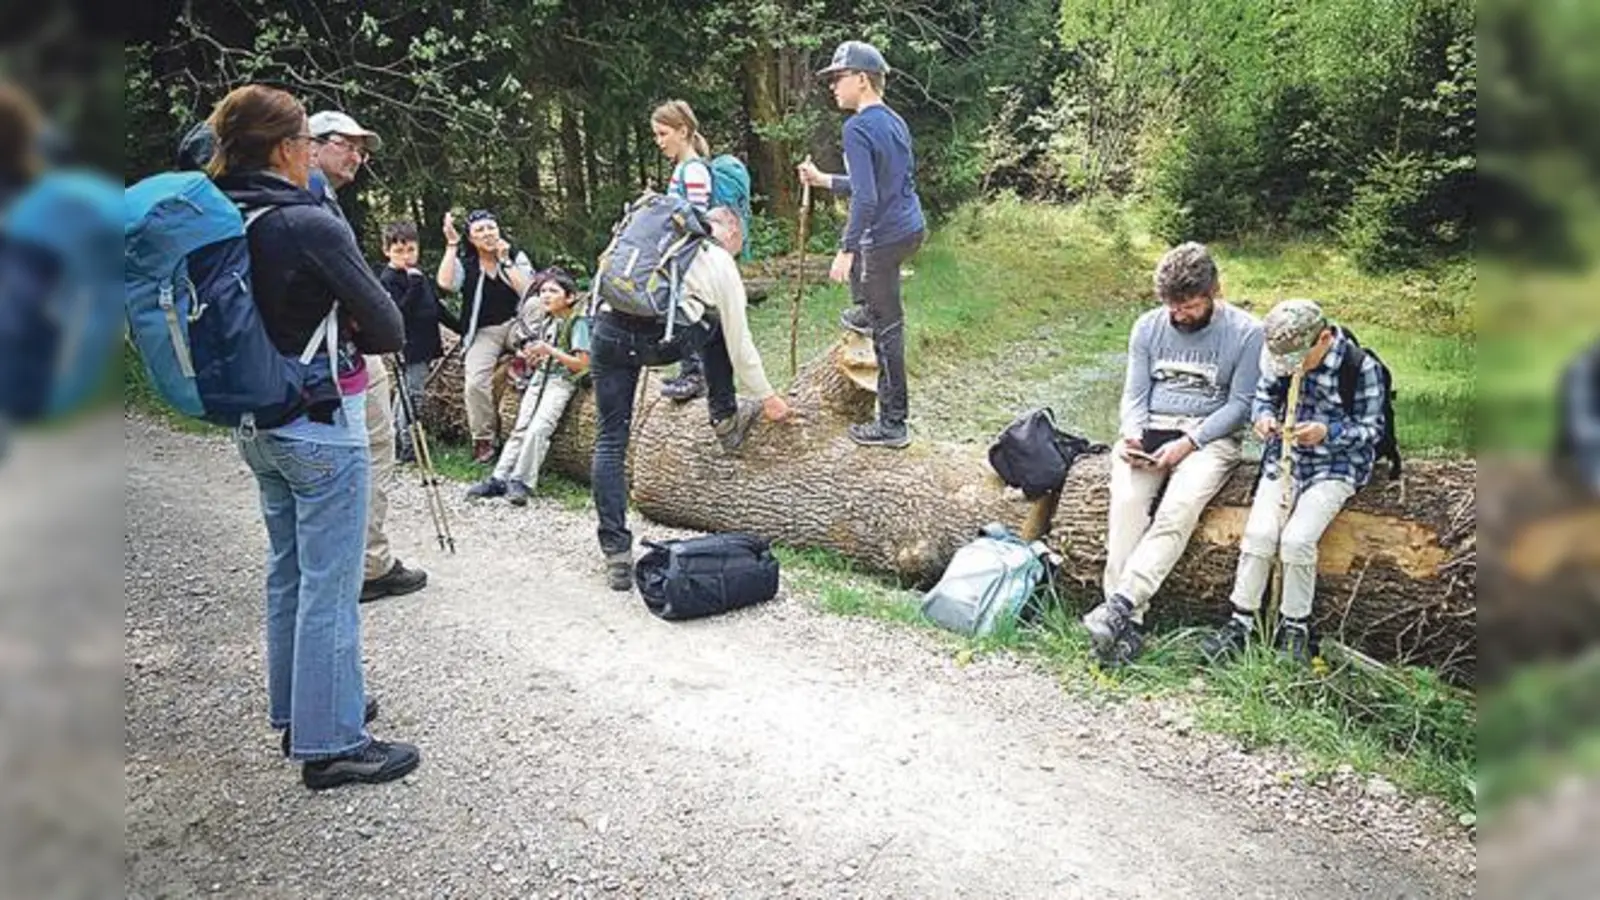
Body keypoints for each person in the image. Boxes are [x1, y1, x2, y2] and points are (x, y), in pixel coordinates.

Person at [208, 83, 419, 789]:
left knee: (288, 573)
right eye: (303, 142)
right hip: (320, 425)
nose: (310, 155)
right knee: (331, 583)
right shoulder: (308, 224)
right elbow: (388, 326)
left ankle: (302, 710)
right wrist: (353, 318)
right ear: (282, 149)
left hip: (256, 421)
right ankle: (332, 743)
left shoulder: (225, 214)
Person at [1079, 242, 1264, 667]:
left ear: (1215, 290)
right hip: (1151, 429)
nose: (1179, 315)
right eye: (1171, 307)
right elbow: (1135, 393)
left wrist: (1188, 443)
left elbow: (1241, 404)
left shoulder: (1247, 333)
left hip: (1208, 438)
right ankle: (1127, 627)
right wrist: (1130, 434)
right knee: (1126, 504)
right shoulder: (1147, 327)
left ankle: (1121, 604)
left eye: (1189, 306)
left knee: (1178, 509)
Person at [591, 206, 793, 591]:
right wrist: (768, 397)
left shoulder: (647, 235)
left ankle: (616, 553)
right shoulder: (717, 259)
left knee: (610, 440)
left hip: (607, 331)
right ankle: (724, 416)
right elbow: (741, 343)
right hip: (658, 341)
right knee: (716, 324)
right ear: (731, 233)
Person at [1201, 299, 1387, 665]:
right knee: (1259, 535)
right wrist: (1264, 418)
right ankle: (1241, 621)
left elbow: (1372, 431)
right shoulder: (1280, 357)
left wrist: (1327, 432)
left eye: (1300, 360)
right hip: (1285, 460)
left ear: (1324, 338)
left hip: (1336, 466)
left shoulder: (1361, 367)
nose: (1293, 369)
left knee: (1298, 539)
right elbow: (1263, 397)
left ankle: (1294, 625)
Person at [306, 109, 431, 603]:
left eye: (362, 148)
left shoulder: (306, 198)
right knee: (371, 449)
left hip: (330, 352)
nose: (357, 155)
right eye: (346, 144)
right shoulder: (311, 202)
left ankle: (350, 559)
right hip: (338, 356)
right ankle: (367, 565)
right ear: (309, 145)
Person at [797, 40, 927, 449]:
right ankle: (867, 311)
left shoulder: (856, 128)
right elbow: (872, 185)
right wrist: (825, 181)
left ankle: (893, 424)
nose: (833, 86)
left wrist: (846, 248)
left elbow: (868, 199)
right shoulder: (894, 121)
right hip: (910, 228)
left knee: (887, 330)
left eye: (838, 78)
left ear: (862, 80)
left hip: (885, 238)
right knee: (876, 309)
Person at [466, 270, 590, 504]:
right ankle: (499, 477)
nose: (545, 296)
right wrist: (534, 357)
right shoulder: (548, 321)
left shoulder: (578, 323)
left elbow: (582, 364)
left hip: (560, 382)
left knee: (539, 429)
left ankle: (522, 481)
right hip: (540, 378)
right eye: (543, 291)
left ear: (570, 297)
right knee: (520, 428)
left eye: (553, 291)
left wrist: (549, 351)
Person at [435, 208, 536, 463]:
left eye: (491, 227)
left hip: (516, 325)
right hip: (484, 332)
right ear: (471, 238)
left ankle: (525, 355)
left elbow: (529, 291)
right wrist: (450, 245)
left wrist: (505, 261)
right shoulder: (467, 265)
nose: (487, 233)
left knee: (537, 306)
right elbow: (446, 283)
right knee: (475, 382)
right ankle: (484, 439)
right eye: (480, 230)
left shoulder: (515, 256)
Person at [377, 220, 461, 463]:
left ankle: (398, 441)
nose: (406, 256)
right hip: (408, 345)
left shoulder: (418, 275)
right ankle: (407, 446)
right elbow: (400, 312)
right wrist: (413, 283)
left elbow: (435, 307)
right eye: (399, 251)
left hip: (426, 342)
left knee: (408, 393)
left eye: (411, 250)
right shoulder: (389, 279)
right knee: (412, 396)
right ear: (387, 251)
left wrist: (462, 328)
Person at [652, 100, 714, 403]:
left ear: (683, 131)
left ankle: (695, 373)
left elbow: (698, 217)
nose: (659, 142)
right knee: (675, 309)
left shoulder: (693, 170)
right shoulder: (681, 168)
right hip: (678, 254)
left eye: (664, 134)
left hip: (691, 255)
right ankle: (688, 368)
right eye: (657, 135)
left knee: (687, 311)